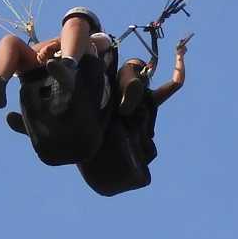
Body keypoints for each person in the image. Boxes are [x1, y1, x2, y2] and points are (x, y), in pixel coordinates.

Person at [0, 7, 118, 166]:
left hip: (88, 88)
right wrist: (48, 50)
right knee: (10, 41)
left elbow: (99, 43)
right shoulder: (63, 41)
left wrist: (57, 44)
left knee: (81, 34)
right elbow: (33, 54)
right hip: (54, 130)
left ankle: (69, 67)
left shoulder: (101, 39)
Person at [76, 33, 189, 196]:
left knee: (125, 75)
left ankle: (128, 99)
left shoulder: (148, 99)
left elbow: (176, 82)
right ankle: (41, 122)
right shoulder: (107, 91)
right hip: (105, 164)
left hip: (125, 157)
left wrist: (179, 55)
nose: (131, 69)